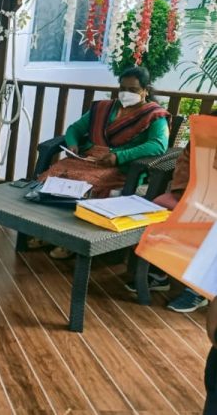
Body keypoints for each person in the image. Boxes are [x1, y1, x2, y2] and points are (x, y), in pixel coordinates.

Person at [34, 66, 170, 259]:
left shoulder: (154, 115)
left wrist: (119, 156)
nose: (126, 94)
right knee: (54, 175)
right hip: (87, 158)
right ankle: (47, 232)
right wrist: (73, 144)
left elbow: (157, 145)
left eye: (133, 90)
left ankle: (71, 241)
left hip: (119, 165)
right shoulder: (104, 108)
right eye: (122, 88)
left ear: (145, 90)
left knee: (88, 185)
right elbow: (75, 129)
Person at [123, 141, 208, 312]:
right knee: (158, 207)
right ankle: (159, 272)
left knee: (208, 222)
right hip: (192, 191)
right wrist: (187, 190)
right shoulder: (207, 131)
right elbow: (186, 159)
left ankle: (199, 289)